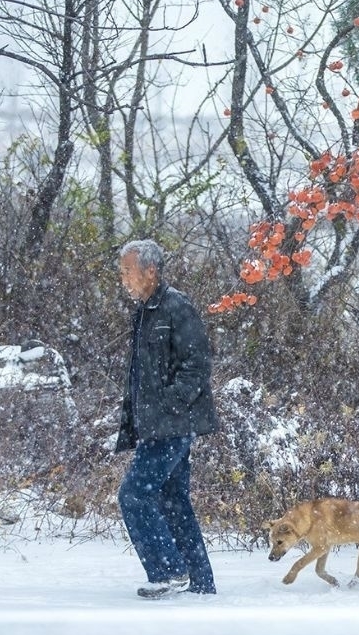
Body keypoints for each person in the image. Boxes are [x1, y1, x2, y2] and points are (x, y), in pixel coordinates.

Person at [113, 239, 219, 598]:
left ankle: (169, 571)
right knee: (173, 501)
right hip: (154, 425)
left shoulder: (177, 307)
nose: (123, 279)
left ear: (151, 271)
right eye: (122, 272)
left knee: (134, 495)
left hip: (172, 424)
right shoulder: (144, 311)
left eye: (128, 271)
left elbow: (198, 364)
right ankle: (201, 584)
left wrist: (172, 404)